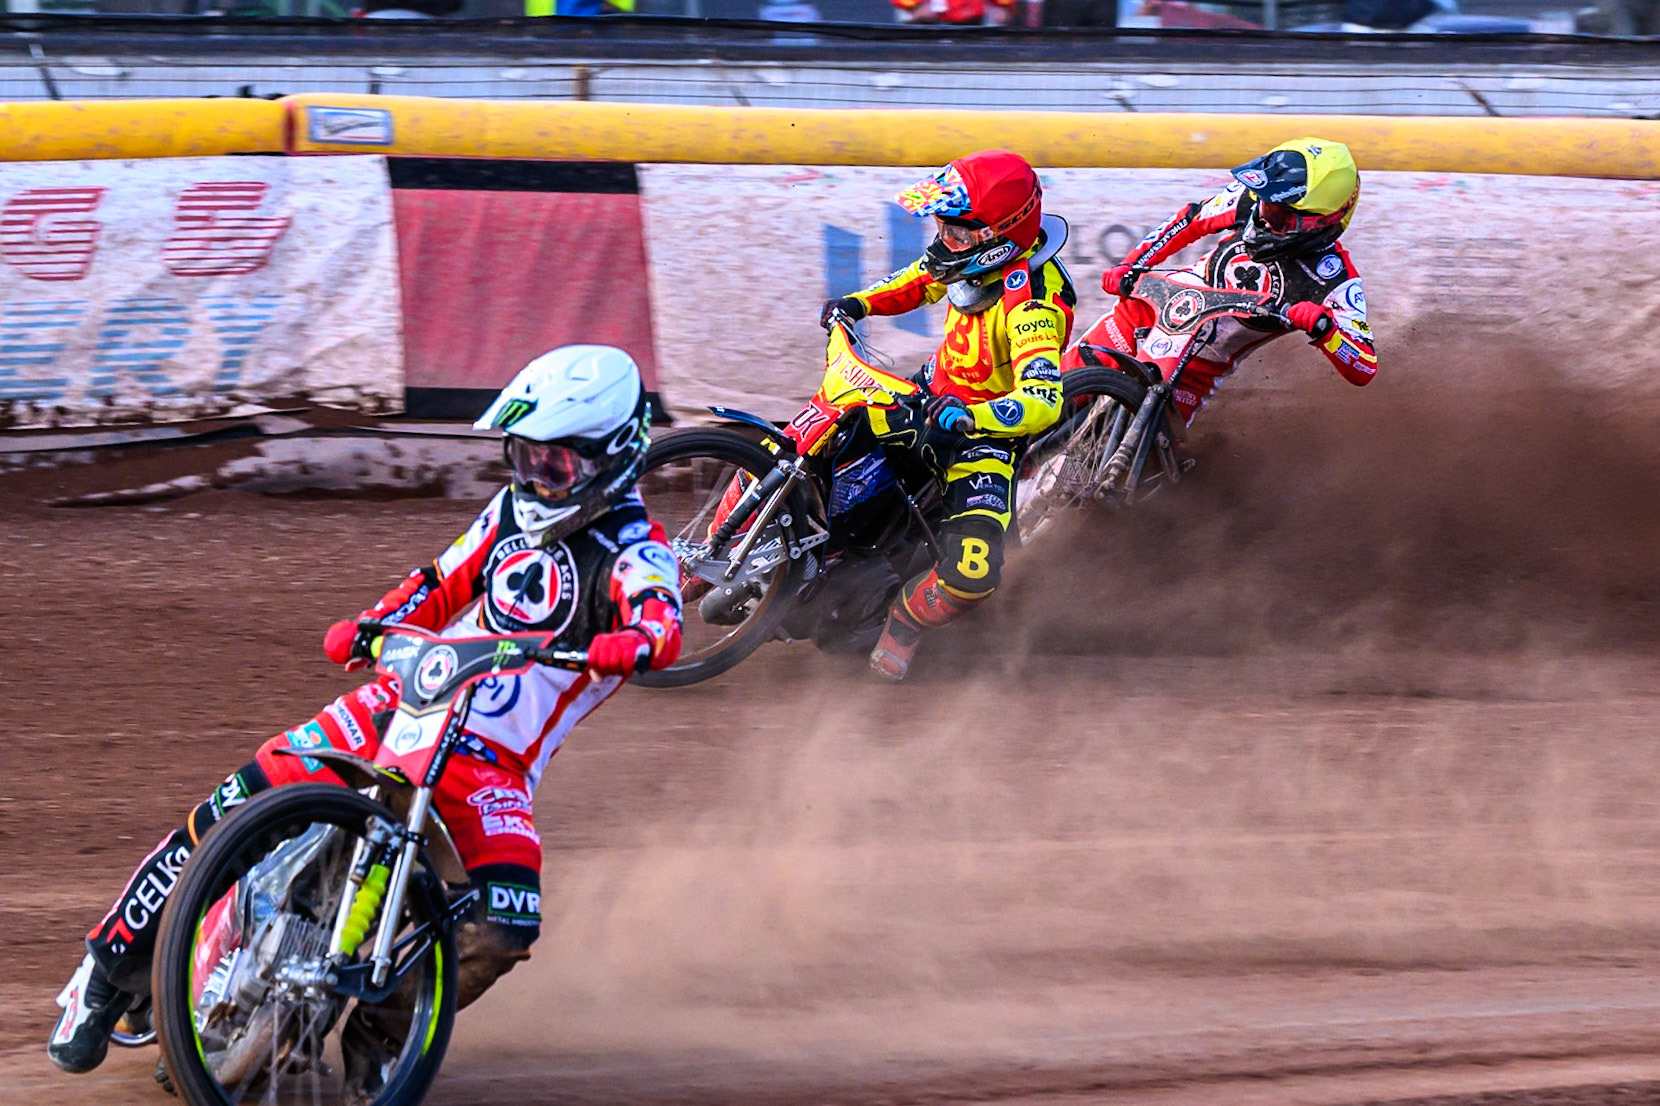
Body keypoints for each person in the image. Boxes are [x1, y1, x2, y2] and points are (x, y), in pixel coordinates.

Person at [48, 345, 683, 1086]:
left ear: (613, 457)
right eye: (524, 458)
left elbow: (660, 624)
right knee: (238, 798)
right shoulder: (509, 512)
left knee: (505, 924)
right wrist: (371, 625)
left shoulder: (639, 551)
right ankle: (105, 969)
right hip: (408, 701)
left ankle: (384, 1037)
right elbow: (437, 585)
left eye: (555, 467)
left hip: (492, 767)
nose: (534, 480)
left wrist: (631, 645)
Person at [821, 149, 1075, 682]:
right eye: (942, 228)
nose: (943, 242)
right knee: (821, 436)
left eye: (956, 233)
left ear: (998, 236)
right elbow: (921, 279)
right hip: (926, 394)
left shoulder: (1033, 306)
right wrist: (857, 304)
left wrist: (971, 416)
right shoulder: (965, 259)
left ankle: (903, 624)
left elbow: (1043, 401)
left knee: (972, 576)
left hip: (979, 434)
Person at [1064, 137, 1376, 427]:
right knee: (1055, 388)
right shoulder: (1249, 199)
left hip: (1197, 368)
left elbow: (1364, 366)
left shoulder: (1335, 278)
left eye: (1280, 215)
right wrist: (1133, 263)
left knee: (1151, 458)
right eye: (1264, 203)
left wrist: (1325, 329)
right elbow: (1190, 220)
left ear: (1320, 222)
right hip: (1153, 309)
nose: (1263, 218)